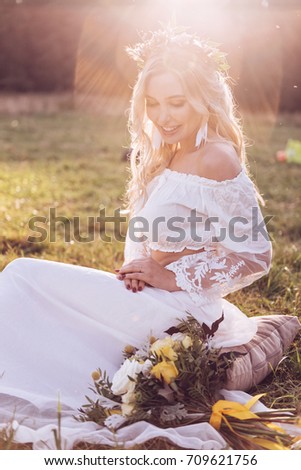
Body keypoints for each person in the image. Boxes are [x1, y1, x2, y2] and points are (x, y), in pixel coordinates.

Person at [0, 27, 272, 449]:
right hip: (144, 297)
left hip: (177, 311)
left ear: (204, 97)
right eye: (153, 102)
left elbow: (255, 254)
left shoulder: (216, 157)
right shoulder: (167, 150)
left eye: (176, 102)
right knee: (37, 299)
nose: (163, 115)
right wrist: (143, 270)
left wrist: (171, 276)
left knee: (22, 275)